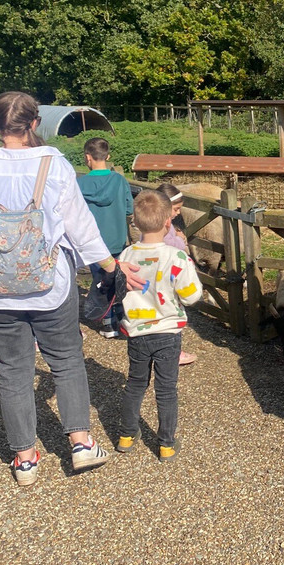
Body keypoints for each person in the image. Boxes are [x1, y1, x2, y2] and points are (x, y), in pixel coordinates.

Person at [0, 91, 138, 487]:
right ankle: (80, 443)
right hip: (50, 287)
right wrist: (113, 266)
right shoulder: (56, 166)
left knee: (12, 371)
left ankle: (25, 459)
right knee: (65, 360)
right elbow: (80, 227)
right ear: (33, 125)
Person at [115, 189, 203, 462]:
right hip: (167, 331)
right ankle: (165, 443)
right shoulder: (176, 258)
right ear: (168, 222)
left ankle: (127, 435)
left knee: (135, 384)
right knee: (166, 389)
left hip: (137, 331)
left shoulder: (126, 255)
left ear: (136, 222)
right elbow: (191, 295)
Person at [78, 137, 133, 338]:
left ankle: (108, 323)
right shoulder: (119, 180)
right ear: (108, 157)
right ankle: (122, 318)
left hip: (93, 242)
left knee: (100, 280)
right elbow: (129, 208)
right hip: (117, 238)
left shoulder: (80, 183)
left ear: (87, 157)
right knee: (119, 277)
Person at [157, 183, 199, 367]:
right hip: (169, 279)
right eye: (176, 209)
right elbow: (173, 247)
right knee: (172, 315)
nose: (178, 213)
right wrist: (181, 241)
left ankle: (161, 349)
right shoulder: (164, 230)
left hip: (159, 279)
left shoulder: (157, 225)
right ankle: (174, 352)